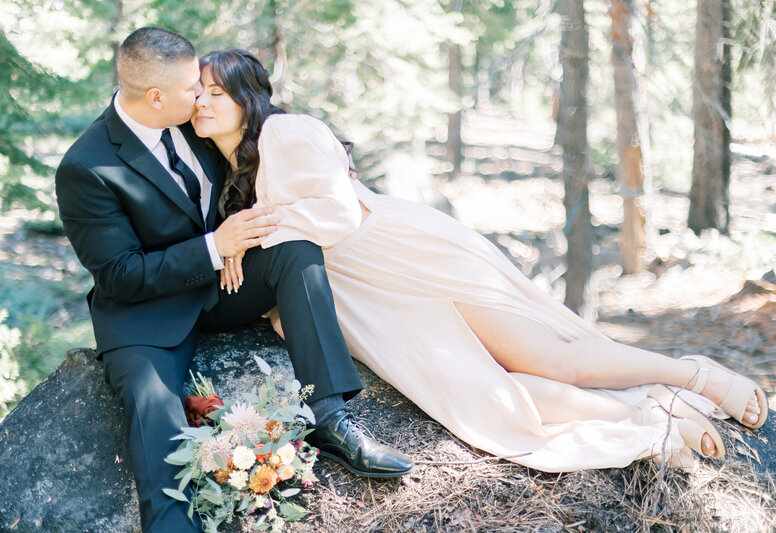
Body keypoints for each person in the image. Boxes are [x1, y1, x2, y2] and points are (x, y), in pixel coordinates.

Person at [191, 48, 769, 473]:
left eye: (218, 92)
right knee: (485, 394)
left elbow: (339, 215)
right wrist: (242, 241)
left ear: (250, 97)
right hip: (362, 294)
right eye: (199, 93)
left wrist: (249, 236)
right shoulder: (227, 173)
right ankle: (649, 413)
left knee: (546, 358)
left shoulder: (286, 132)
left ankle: (693, 375)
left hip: (403, 253)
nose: (204, 103)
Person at [55, 29, 412, 533]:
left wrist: (330, 159)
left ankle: (330, 417)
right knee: (153, 409)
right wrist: (212, 248)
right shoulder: (87, 166)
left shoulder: (193, 123)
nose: (201, 96)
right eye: (191, 89)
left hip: (226, 281)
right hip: (145, 311)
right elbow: (118, 275)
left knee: (295, 249)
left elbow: (260, 130)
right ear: (156, 96)